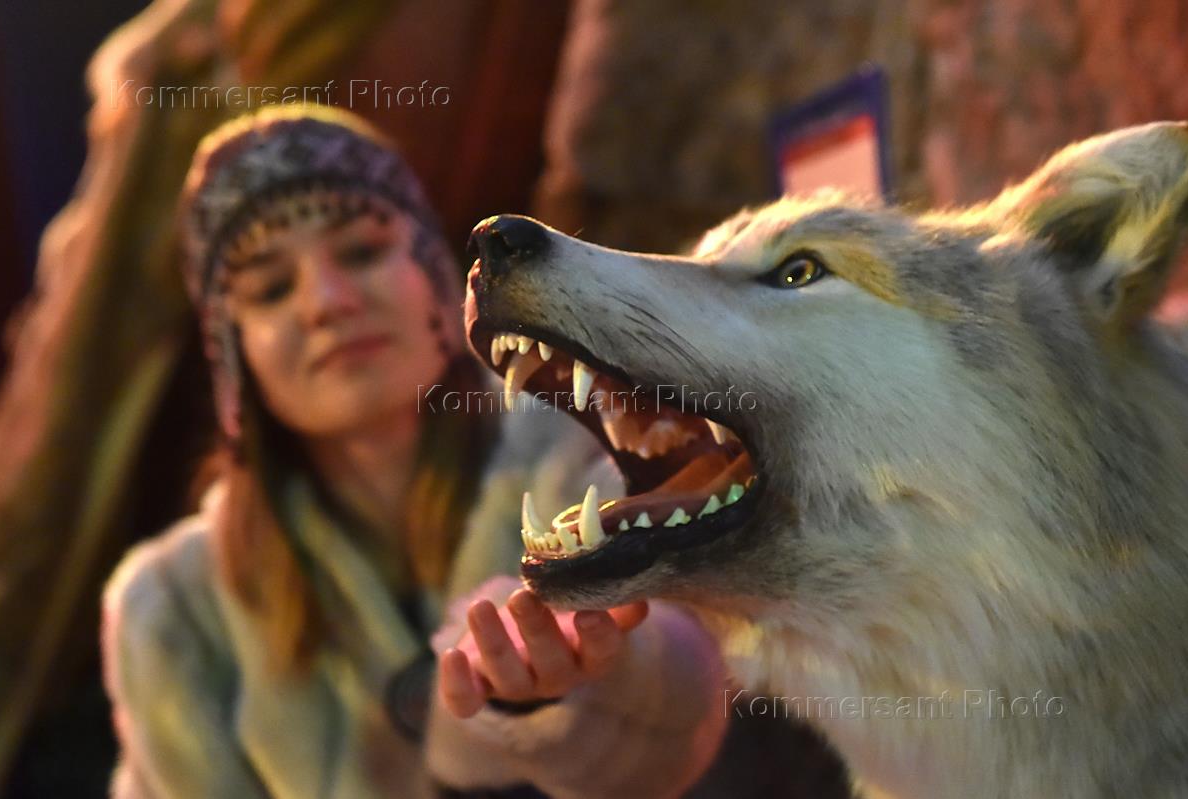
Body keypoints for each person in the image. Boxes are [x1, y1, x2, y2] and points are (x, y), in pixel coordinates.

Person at [100, 103, 726, 798]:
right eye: (271, 288)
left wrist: (590, 678)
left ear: (433, 272)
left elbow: (690, 694)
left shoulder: (588, 455)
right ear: (233, 352)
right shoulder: (175, 610)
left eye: (362, 251)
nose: (326, 302)